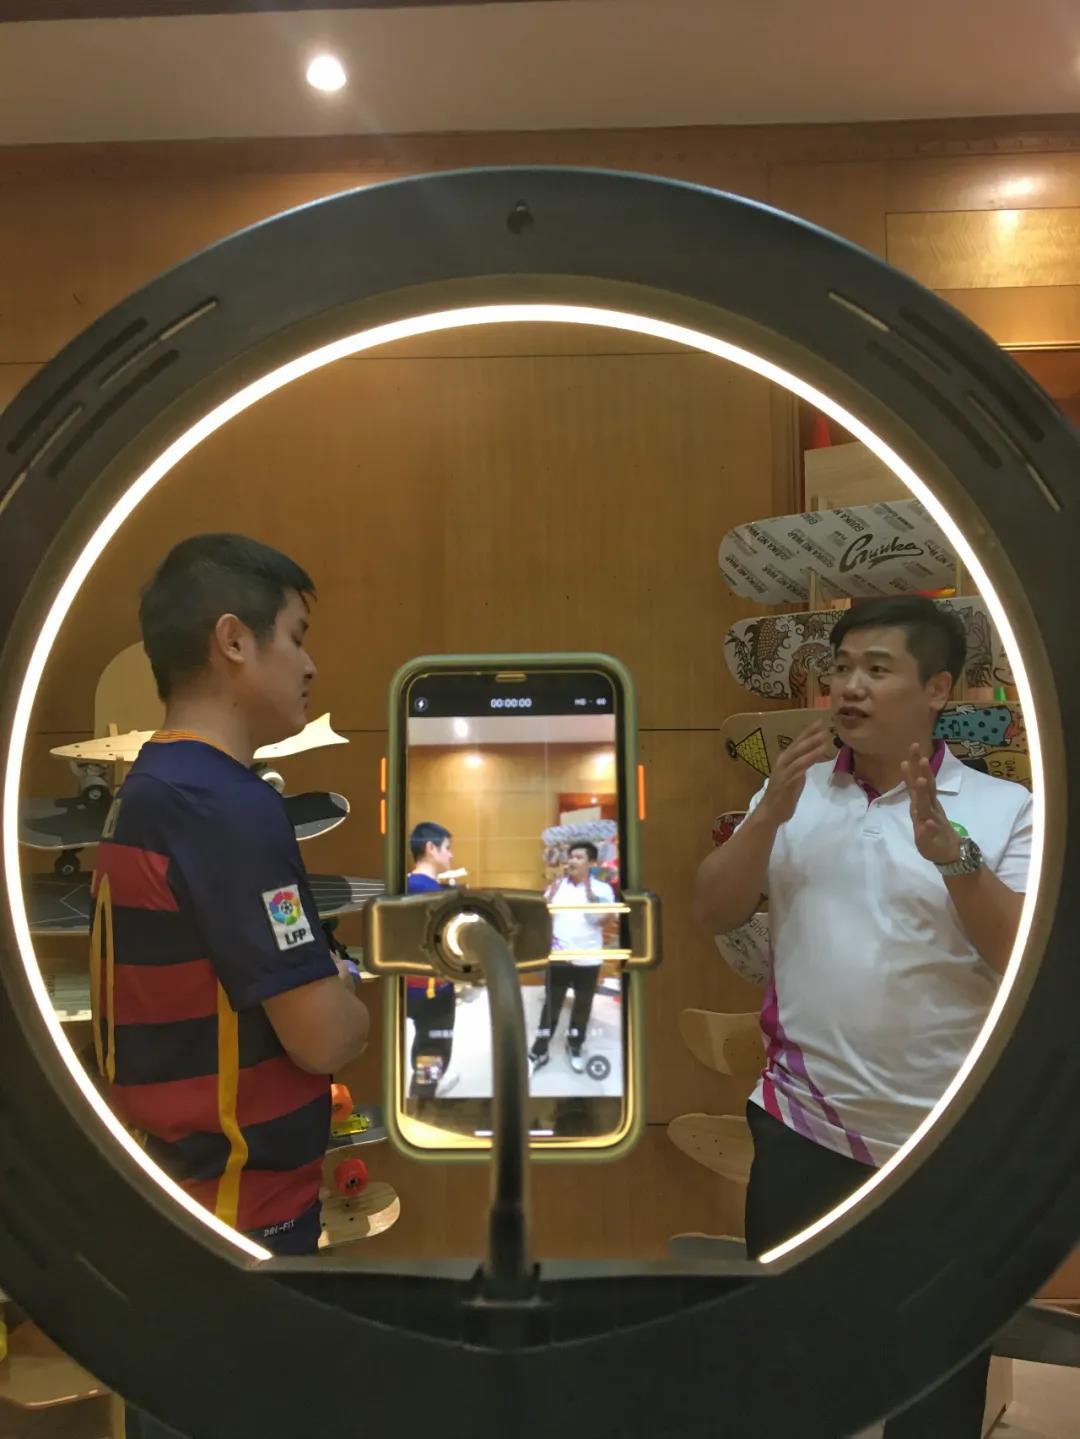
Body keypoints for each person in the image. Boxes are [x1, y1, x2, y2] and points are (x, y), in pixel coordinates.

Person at [693, 595, 1032, 1438]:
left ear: (938, 688)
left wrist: (954, 857)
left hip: (948, 1143)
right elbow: (714, 908)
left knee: (934, 1386)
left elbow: (1017, 955)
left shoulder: (1006, 808)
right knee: (792, 1378)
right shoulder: (794, 794)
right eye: (840, 667)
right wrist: (767, 813)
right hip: (803, 1128)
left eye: (877, 669)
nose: (849, 686)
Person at [90, 535, 370, 1436]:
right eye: (297, 635)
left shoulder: (153, 787)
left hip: (172, 1213)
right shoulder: (222, 806)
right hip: (237, 1224)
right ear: (233, 640)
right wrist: (349, 994)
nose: (311, 664)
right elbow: (321, 1035)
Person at [529, 841, 615, 1074]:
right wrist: (549, 897)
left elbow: (601, 920)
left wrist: (590, 895)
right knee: (551, 1006)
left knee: (582, 1007)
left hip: (588, 958)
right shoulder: (557, 886)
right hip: (559, 956)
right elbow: (542, 916)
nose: (572, 861)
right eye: (571, 857)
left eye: (579, 857)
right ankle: (539, 1050)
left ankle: (575, 1046)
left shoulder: (602, 889)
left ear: (592, 863)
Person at [404, 821, 458, 1096]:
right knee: (434, 1046)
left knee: (421, 1038)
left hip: (404, 987)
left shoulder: (402, 885)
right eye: (447, 848)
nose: (451, 854)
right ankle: (423, 1096)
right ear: (430, 848)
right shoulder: (437, 896)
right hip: (434, 988)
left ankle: (420, 1084)